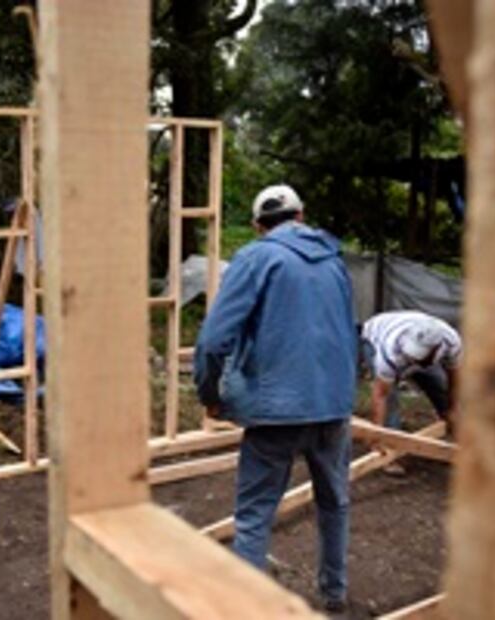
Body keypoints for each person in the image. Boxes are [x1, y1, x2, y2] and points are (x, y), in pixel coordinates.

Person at [194, 184, 357, 613]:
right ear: (300, 216)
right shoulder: (335, 261)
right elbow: (348, 331)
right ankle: (335, 593)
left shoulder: (256, 257)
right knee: (334, 503)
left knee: (253, 516)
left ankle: (249, 608)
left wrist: (210, 395)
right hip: (333, 406)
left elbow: (213, 341)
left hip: (276, 411)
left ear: (256, 226)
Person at [360, 310, 462, 438]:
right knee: (390, 400)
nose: (414, 361)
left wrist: (453, 409)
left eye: (419, 357)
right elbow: (381, 395)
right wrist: (376, 435)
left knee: (440, 388)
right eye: (413, 356)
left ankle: (454, 429)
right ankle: (390, 438)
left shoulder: (452, 342)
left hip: (411, 335)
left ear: (436, 350)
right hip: (375, 335)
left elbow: (454, 379)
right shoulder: (391, 351)